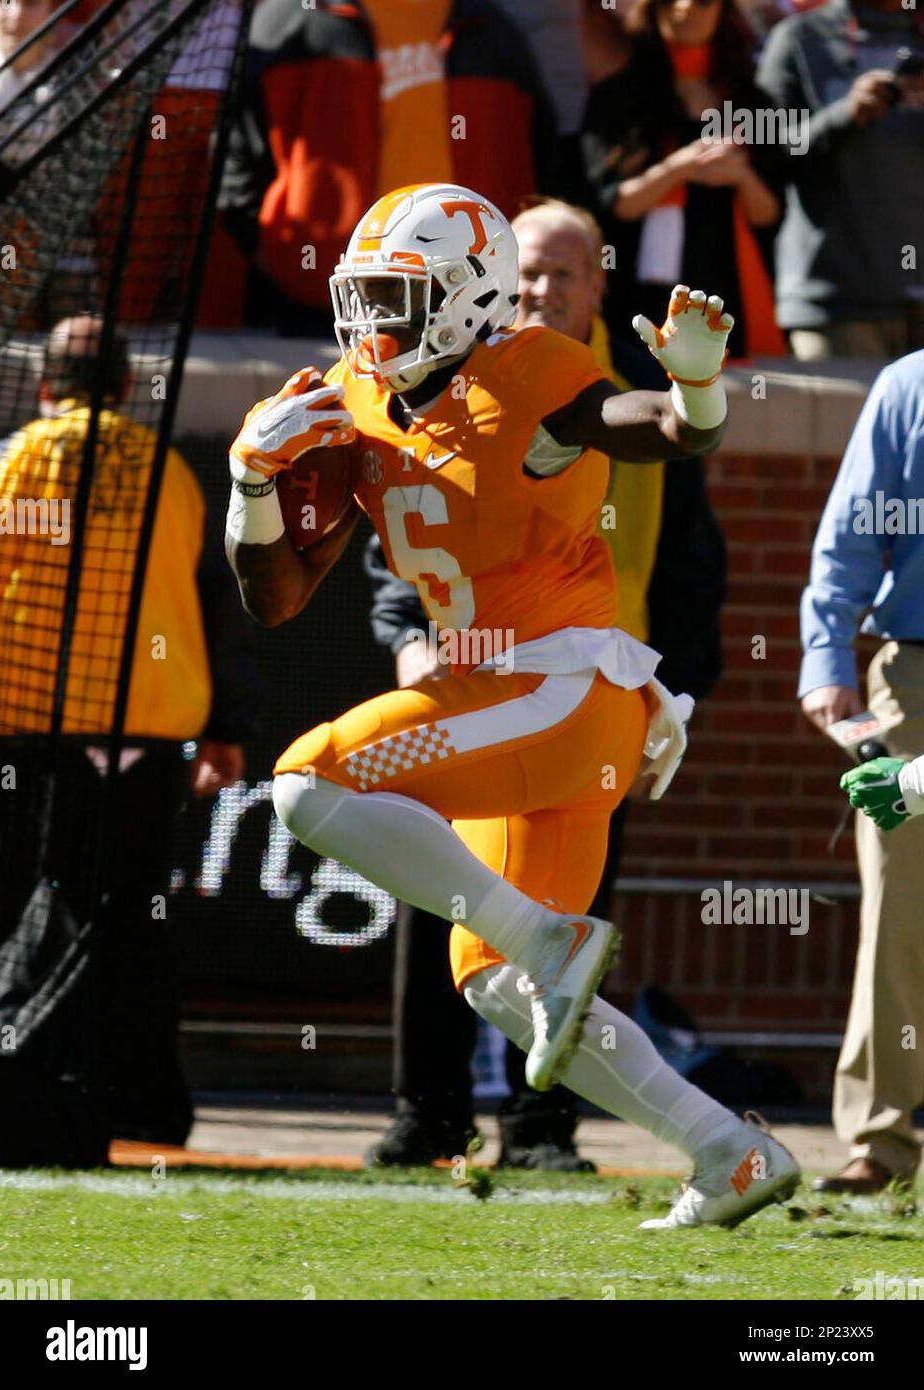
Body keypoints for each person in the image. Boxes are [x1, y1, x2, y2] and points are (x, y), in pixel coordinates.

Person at [226, 180, 800, 1229]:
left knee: (306, 780)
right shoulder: (362, 396)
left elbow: (656, 426)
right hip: (514, 710)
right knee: (493, 977)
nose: (369, 326)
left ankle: (548, 938)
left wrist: (701, 389)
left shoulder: (528, 367)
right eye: (362, 298)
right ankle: (729, 1151)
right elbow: (277, 595)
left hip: (559, 687)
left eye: (394, 301)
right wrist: (251, 487)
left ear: (463, 296)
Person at [363, 197, 726, 1170]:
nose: (538, 292)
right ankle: (427, 1110)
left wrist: (673, 701)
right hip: (468, 678)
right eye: (523, 275)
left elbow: (693, 559)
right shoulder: (451, 372)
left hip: (592, 693)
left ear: (597, 282)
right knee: (435, 895)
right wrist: (404, 637)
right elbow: (401, 522)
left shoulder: (621, 386)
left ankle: (540, 1127)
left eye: (561, 274)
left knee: (568, 917)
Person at [0, 316, 262, 1144]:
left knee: (28, 917)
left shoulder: (16, 461)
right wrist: (225, 725)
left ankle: (35, 1097)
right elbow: (219, 595)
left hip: (37, 729)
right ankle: (145, 1105)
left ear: (45, 385)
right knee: (135, 921)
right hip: (150, 731)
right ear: (121, 387)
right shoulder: (172, 472)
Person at [219, 0, 558, 335]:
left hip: (469, 308)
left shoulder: (490, 28)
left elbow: (541, 157)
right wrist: (277, 257)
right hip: (322, 309)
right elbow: (233, 155)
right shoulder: (291, 20)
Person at [799, 349, 924, 1194]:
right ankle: (881, 1141)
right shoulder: (907, 385)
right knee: (900, 912)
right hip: (912, 676)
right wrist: (825, 655)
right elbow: (849, 531)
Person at [582, 0, 785, 361]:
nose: (685, 8)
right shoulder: (619, 96)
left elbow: (770, 214)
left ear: (723, 10)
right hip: (640, 295)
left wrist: (740, 175)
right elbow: (614, 203)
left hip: (729, 290)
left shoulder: (753, 102)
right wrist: (679, 167)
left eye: (704, 1)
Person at [758, 0, 924, 360]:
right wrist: (845, 115)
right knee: (840, 419)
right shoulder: (800, 36)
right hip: (833, 306)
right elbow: (764, 150)